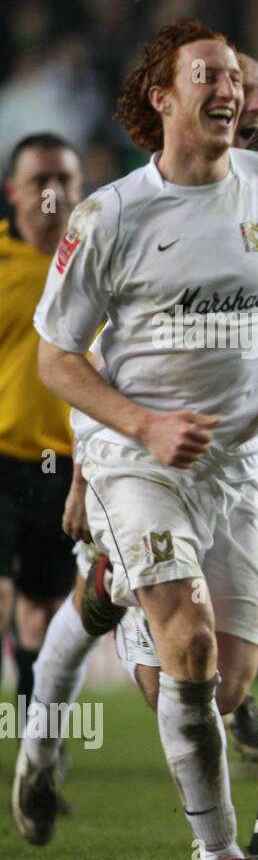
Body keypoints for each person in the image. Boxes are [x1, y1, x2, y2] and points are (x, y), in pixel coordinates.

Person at [26, 19, 258, 860]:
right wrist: (144, 426)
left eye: (234, 77)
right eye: (207, 75)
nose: (229, 90)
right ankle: (219, 855)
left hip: (237, 470)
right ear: (162, 97)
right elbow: (57, 357)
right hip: (139, 462)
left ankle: (113, 593)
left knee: (228, 680)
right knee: (189, 646)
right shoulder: (111, 215)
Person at [0, 133, 82, 721]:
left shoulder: (94, 266)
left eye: (65, 181)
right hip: (0, 458)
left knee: (42, 612)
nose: (53, 193)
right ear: (13, 191)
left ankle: (35, 754)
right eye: (39, 181)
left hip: (66, 466)